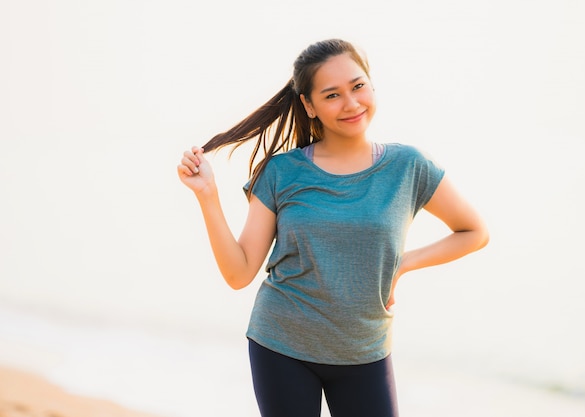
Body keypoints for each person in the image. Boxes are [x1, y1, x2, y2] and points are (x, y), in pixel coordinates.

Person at [177, 38, 489, 417]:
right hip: (282, 343)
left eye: (358, 86)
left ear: (372, 84)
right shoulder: (282, 171)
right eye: (332, 95)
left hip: (365, 349)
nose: (352, 103)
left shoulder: (409, 166)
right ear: (309, 105)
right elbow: (239, 272)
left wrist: (403, 264)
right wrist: (208, 196)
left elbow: (474, 232)